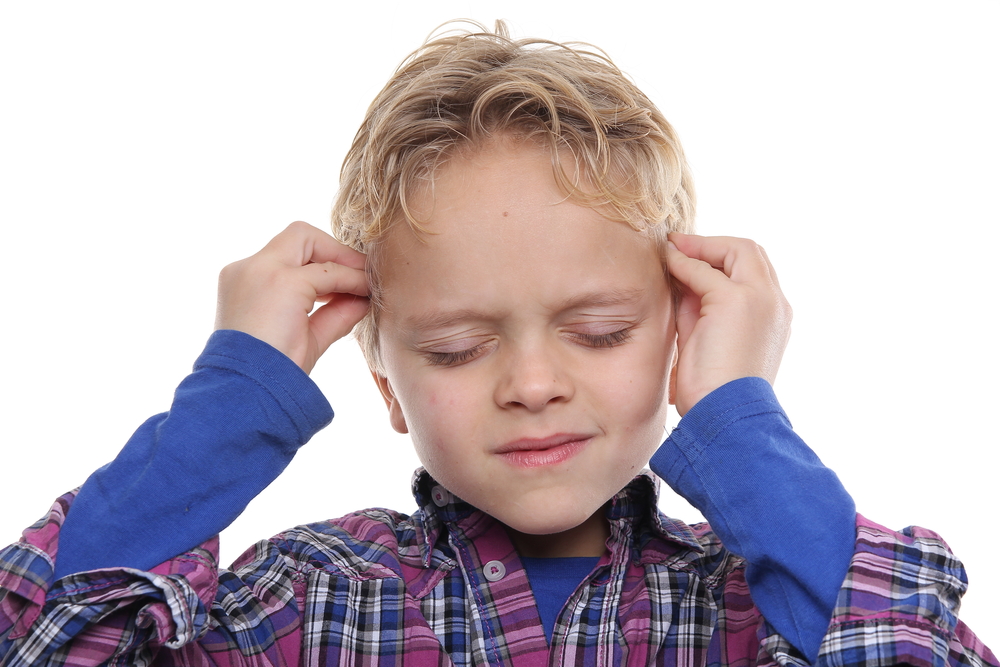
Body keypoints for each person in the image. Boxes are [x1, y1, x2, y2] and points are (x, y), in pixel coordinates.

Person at [0, 20, 994, 667]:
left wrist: (739, 424)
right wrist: (224, 410)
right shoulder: (292, 605)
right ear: (385, 380)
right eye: (455, 347)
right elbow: (38, 644)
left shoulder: (767, 606)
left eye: (599, 331)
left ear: (680, 333)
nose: (530, 383)